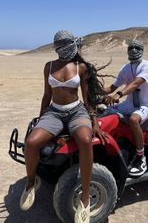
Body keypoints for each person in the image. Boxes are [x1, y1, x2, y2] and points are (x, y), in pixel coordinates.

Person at [19, 29, 107, 223]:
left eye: (65, 45)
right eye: (59, 46)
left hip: (77, 111)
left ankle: (84, 199)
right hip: (55, 112)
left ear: (72, 45)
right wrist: (40, 118)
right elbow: (46, 95)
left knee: (85, 140)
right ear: (56, 48)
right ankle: (31, 182)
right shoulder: (49, 66)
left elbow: (87, 98)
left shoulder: (80, 67)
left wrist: (94, 121)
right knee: (31, 142)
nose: (62, 49)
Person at [103, 39, 148, 177]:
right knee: (104, 111)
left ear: (142, 50)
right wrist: (93, 89)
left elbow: (136, 83)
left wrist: (119, 94)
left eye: (137, 48)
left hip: (146, 105)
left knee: (133, 120)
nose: (133, 50)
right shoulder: (125, 68)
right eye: (131, 47)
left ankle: (140, 157)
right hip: (129, 104)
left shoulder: (147, 65)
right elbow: (111, 88)